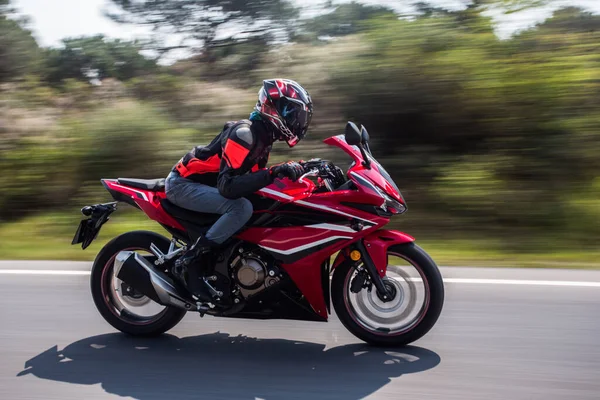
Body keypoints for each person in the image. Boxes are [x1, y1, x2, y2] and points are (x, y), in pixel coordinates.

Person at [164, 78, 313, 302]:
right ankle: (192, 261)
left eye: (298, 115)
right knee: (240, 208)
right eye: (291, 112)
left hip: (204, 187)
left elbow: (251, 179)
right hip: (183, 185)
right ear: (272, 107)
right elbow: (228, 186)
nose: (296, 121)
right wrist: (274, 172)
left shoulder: (263, 138)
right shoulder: (245, 134)